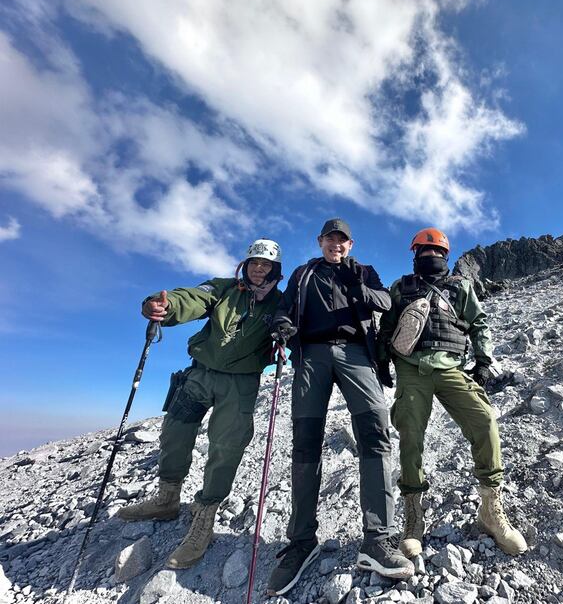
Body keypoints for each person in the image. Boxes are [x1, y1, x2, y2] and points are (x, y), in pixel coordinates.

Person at [266, 218, 413, 597]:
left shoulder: (363, 271)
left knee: (375, 433)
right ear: (320, 241)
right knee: (305, 442)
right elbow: (283, 309)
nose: (336, 244)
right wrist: (281, 326)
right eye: (331, 238)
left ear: (350, 244)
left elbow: (386, 302)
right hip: (311, 356)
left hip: (356, 354)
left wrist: (358, 286)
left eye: (342, 240)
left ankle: (378, 538)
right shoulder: (304, 273)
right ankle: (302, 542)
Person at [116, 239, 284, 570]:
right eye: (254, 262)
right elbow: (193, 297)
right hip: (199, 374)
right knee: (174, 434)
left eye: (266, 264)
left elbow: (293, 323)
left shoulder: (280, 302)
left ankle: (204, 519)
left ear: (275, 270)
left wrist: (285, 331)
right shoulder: (223, 288)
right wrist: (163, 306)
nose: (259, 268)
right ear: (245, 265)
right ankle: (167, 499)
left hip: (241, 383)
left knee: (226, 448)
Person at [377, 227, 527, 558]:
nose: (431, 256)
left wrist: (484, 362)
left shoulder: (461, 287)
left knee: (485, 420)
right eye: (425, 252)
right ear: (415, 255)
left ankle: (490, 511)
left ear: (446, 256)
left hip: (451, 368)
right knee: (411, 437)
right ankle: (413, 520)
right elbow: (387, 327)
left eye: (437, 252)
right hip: (411, 368)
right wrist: (382, 362)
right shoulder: (401, 288)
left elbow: (479, 324)